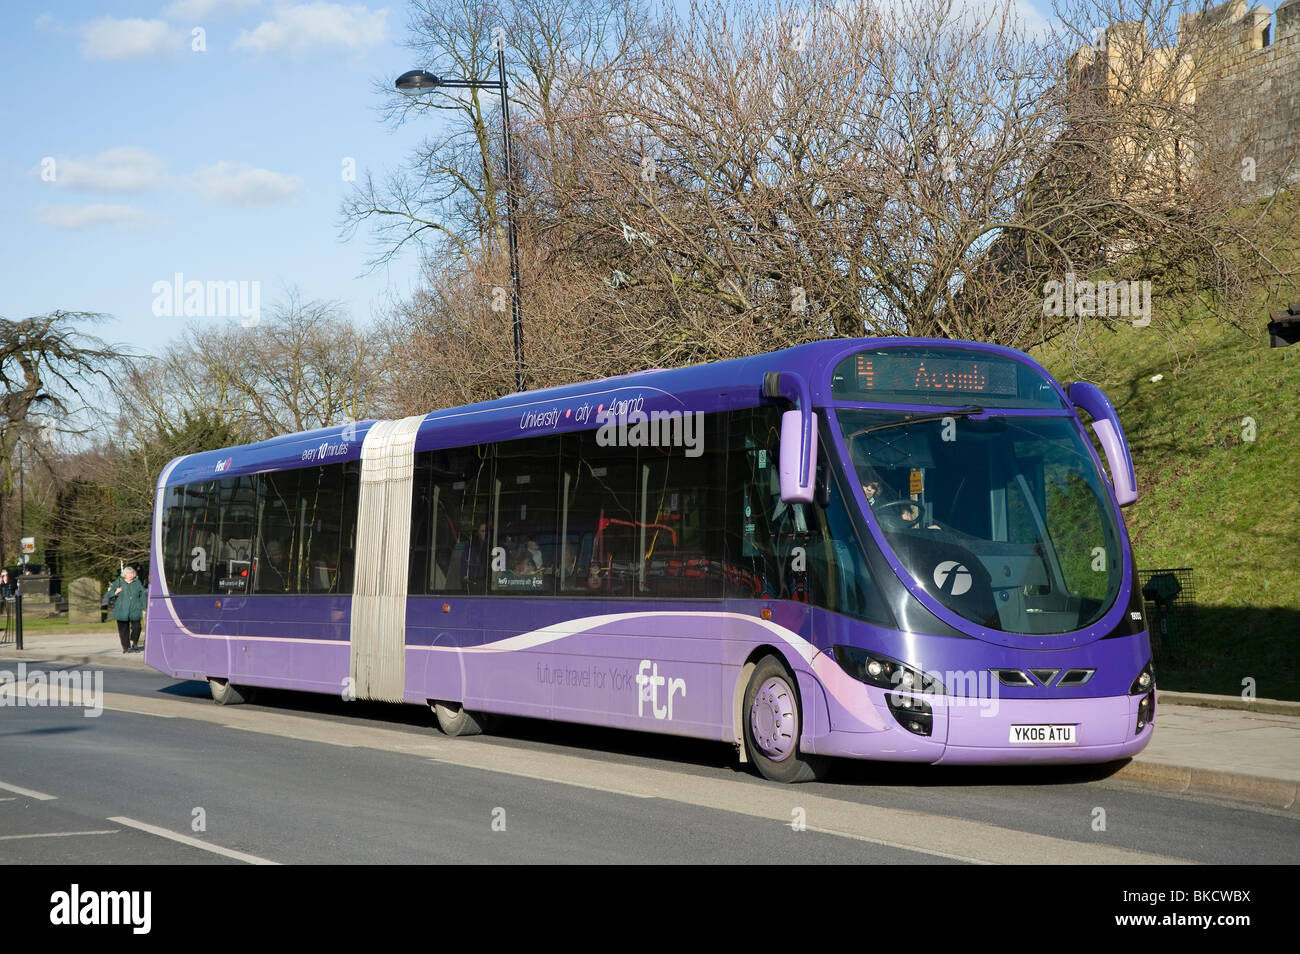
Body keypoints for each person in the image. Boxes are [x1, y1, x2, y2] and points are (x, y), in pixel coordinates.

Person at [107, 566, 146, 653]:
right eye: (128, 573)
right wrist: (116, 592)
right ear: (125, 574)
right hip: (121, 610)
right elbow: (110, 594)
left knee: (137, 627)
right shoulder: (119, 582)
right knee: (123, 630)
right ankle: (126, 647)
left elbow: (142, 595)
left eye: (132, 573)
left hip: (135, 609)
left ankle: (135, 643)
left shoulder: (137, 582)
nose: (130, 575)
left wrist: (144, 608)